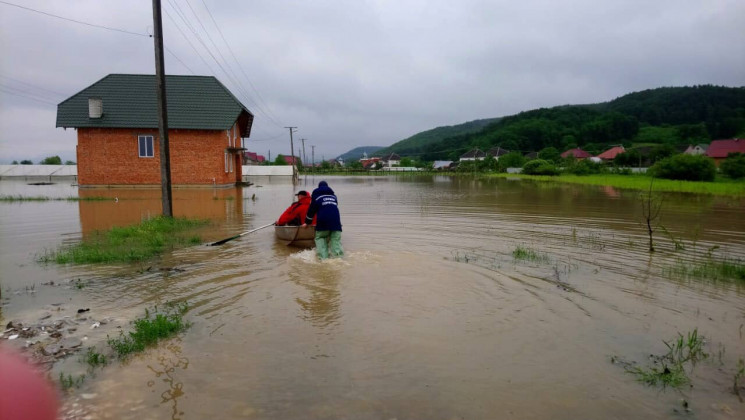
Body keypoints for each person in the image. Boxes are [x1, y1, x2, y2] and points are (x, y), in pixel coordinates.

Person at [303, 180, 343, 259]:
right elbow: (331, 208)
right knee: (336, 241)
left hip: (323, 222)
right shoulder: (334, 197)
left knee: (320, 238)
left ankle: (323, 259)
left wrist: (307, 222)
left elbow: (311, 211)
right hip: (336, 222)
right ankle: (338, 258)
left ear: (318, 188)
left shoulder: (316, 197)